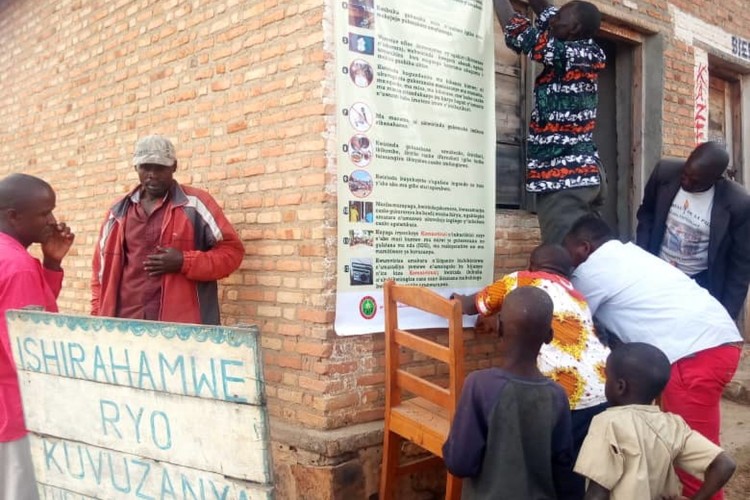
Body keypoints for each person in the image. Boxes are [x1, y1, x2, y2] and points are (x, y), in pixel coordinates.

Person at [564, 215, 742, 499]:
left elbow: (563, 313)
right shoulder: (628, 255)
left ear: (584, 247)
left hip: (694, 353)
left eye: (569, 251)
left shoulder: (592, 271)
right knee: (683, 445)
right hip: (711, 343)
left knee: (695, 464)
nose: (568, 261)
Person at [453, 245, 609, 464]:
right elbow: (546, 333)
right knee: (577, 470)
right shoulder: (578, 298)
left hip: (565, 398)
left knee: (545, 468)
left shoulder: (521, 280)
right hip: (604, 394)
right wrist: (498, 324)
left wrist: (454, 297)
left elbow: (470, 305)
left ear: (530, 266)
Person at [91, 135, 244, 325]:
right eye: (146, 167)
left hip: (182, 332)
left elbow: (232, 253)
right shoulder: (117, 212)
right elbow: (100, 273)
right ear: (135, 168)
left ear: (174, 167)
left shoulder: (196, 205)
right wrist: (96, 322)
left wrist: (184, 261)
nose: (152, 175)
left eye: (160, 168)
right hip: (125, 327)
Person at [443, 287, 576, 499]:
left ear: (500, 328)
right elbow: (563, 469)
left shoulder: (479, 385)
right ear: (550, 336)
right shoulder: (557, 396)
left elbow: (460, 464)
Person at [495, 0, 607, 244]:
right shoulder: (578, 45)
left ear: (575, 28)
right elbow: (545, 10)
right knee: (589, 255)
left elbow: (519, 32)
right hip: (581, 176)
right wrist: (550, 14)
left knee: (563, 255)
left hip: (565, 179)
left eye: (559, 20)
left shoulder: (569, 54)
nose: (552, 21)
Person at [575, 343, 736, 500]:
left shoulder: (607, 423)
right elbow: (724, 465)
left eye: (607, 378)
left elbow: (597, 493)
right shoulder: (674, 425)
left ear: (620, 386)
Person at [0, 174, 75, 500]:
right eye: (44, 213)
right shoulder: (17, 266)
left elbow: (32, 307)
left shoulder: (13, 259)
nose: (53, 221)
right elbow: (28, 352)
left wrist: (52, 263)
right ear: (14, 216)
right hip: (16, 411)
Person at [636, 141, 750, 320]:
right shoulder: (665, 172)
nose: (686, 182)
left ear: (715, 179)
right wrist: (643, 257)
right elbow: (646, 214)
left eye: (694, 181)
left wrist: (726, 317)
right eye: (685, 175)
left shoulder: (738, 203)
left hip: (700, 284)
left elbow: (741, 265)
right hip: (656, 273)